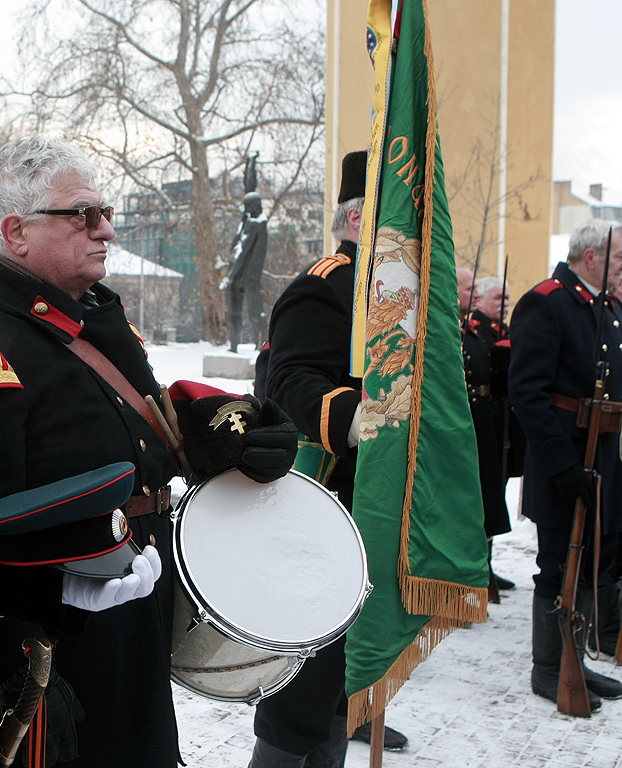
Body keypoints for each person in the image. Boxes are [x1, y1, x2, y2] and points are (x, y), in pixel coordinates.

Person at [0, 135, 299, 767]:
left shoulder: (105, 323)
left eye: (104, 213)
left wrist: (232, 437)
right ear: (16, 232)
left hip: (142, 599)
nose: (104, 229)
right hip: (59, 634)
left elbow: (150, 439)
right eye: (82, 215)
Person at [250, 150, 406, 767]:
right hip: (325, 504)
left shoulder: (394, 293)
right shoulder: (326, 285)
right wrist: (369, 416)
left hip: (372, 504)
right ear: (360, 217)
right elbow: (288, 381)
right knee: (306, 683)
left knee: (344, 677)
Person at [508, 218, 622, 711]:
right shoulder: (548, 302)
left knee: (590, 563)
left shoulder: (608, 308)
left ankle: (576, 656)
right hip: (564, 460)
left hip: (604, 458)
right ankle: (550, 668)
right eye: (618, 260)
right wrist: (560, 465)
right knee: (557, 565)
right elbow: (528, 394)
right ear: (591, 257)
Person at [462, 275, 515, 597]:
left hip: (487, 420)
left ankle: (486, 570)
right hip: (468, 422)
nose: (504, 304)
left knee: (489, 498)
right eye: (471, 290)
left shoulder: (474, 332)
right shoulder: (466, 331)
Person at [220, 183, 269, 353]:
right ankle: (236, 345)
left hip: (248, 277)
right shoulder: (249, 222)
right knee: (238, 313)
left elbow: (241, 251)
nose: (245, 208)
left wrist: (229, 276)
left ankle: (261, 345)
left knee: (255, 313)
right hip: (241, 276)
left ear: (255, 206)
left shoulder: (256, 224)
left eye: (248, 205)